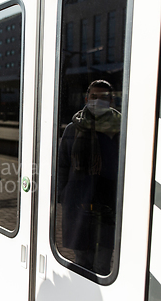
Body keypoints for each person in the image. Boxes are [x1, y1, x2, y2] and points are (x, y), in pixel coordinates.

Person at [57, 80, 121, 275]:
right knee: (82, 260)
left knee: (103, 263)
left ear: (111, 100)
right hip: (78, 202)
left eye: (103, 98)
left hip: (109, 204)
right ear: (86, 98)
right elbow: (62, 165)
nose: (97, 101)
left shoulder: (122, 129)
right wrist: (63, 195)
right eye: (94, 97)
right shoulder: (73, 128)